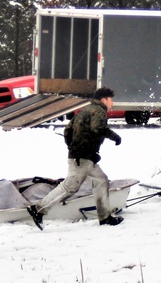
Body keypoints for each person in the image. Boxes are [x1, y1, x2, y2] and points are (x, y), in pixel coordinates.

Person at [27, 87, 124, 229]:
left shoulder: (84, 111)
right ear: (104, 100)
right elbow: (98, 128)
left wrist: (73, 147)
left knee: (101, 181)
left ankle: (105, 218)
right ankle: (38, 209)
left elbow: (67, 130)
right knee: (69, 187)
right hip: (82, 157)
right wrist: (115, 137)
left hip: (84, 156)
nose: (112, 103)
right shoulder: (99, 111)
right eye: (111, 100)